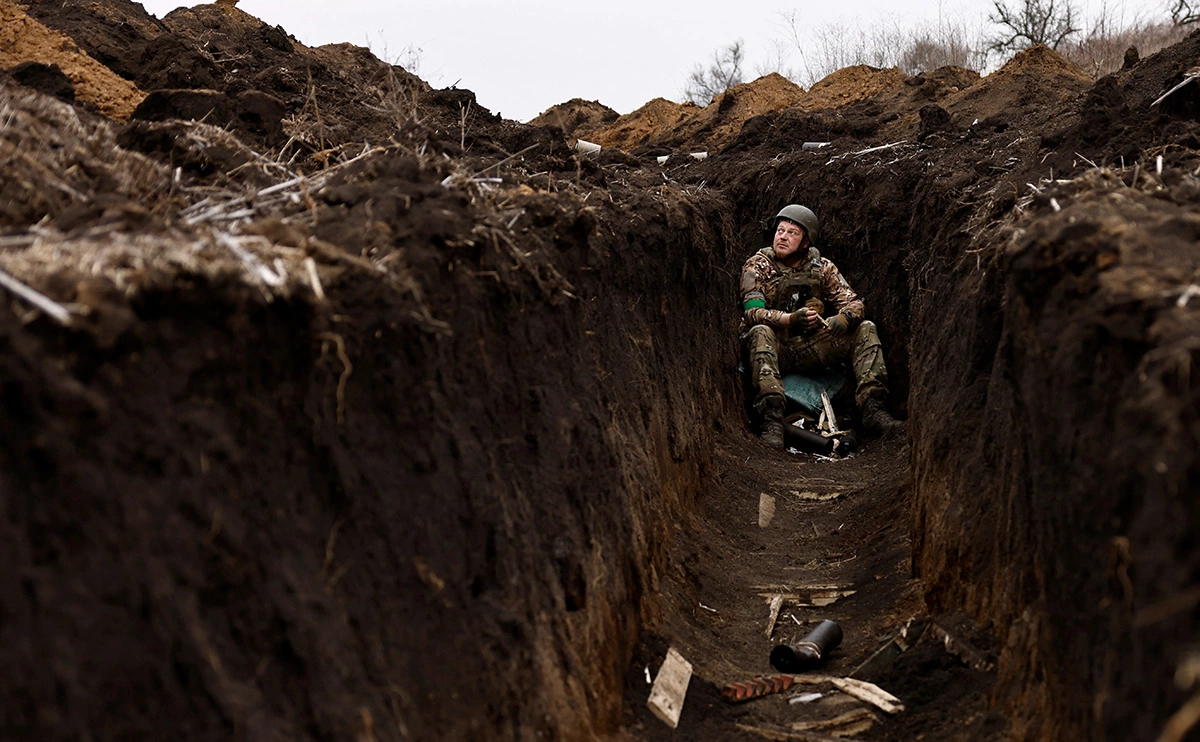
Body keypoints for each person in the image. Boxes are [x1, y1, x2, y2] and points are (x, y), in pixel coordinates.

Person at [740, 204, 903, 449]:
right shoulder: (758, 265)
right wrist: (791, 319)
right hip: (775, 347)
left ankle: (872, 408)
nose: (783, 237)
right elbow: (752, 313)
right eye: (780, 231)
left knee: (865, 328)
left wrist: (844, 318)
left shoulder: (822, 267)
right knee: (760, 332)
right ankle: (771, 419)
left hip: (810, 345)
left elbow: (854, 302)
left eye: (792, 233)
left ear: (806, 242)